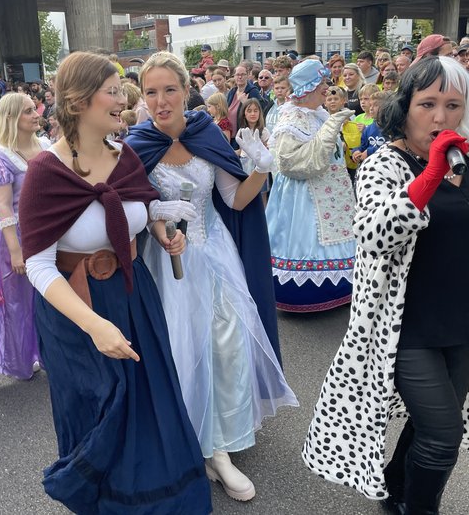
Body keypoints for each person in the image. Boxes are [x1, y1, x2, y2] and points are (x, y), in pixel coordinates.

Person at [302, 56, 469, 515]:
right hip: (405, 327)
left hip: (463, 320)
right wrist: (425, 181)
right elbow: (371, 235)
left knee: (430, 423)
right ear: (405, 106)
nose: (440, 116)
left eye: (452, 104)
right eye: (427, 103)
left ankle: (397, 486)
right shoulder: (384, 164)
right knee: (444, 435)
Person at [19, 51, 212, 514]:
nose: (123, 100)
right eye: (112, 90)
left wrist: (162, 232)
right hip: (77, 309)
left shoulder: (122, 155)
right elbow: (40, 266)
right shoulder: (45, 172)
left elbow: (138, 210)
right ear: (80, 100)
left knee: (148, 402)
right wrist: (94, 326)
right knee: (100, 408)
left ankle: (161, 501)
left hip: (131, 295)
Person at [125, 51, 297, 502]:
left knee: (228, 342)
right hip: (169, 262)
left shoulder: (205, 134)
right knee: (183, 349)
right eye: (151, 92)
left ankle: (219, 443)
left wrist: (261, 167)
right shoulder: (135, 145)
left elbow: (235, 200)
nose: (161, 101)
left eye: (169, 90)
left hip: (217, 254)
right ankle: (196, 443)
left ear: (186, 91)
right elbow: (125, 210)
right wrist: (154, 217)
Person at [265, 59, 357, 312]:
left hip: (331, 195)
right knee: (305, 238)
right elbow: (290, 163)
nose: (327, 87)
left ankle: (341, 287)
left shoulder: (318, 114)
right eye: (323, 83)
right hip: (302, 197)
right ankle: (307, 293)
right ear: (311, 86)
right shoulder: (292, 119)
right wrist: (328, 132)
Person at [0, 93, 44, 379]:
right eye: (28, 111)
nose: (36, 114)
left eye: (34, 109)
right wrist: (16, 251)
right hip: (13, 239)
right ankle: (20, 361)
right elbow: (3, 207)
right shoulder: (0, 158)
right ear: (13, 118)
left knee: (45, 300)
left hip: (45, 235)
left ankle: (47, 353)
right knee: (17, 304)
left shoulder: (46, 147)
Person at [351, 90, 389, 164]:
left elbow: (390, 146)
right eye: (370, 105)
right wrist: (356, 151)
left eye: (376, 105)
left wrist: (369, 152)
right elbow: (363, 145)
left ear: (386, 107)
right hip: (370, 167)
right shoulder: (369, 128)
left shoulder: (391, 128)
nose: (371, 108)